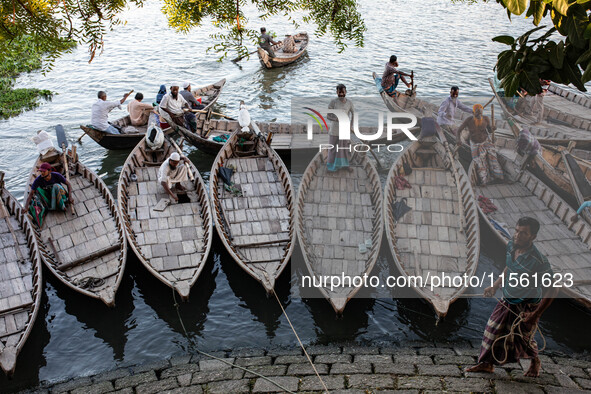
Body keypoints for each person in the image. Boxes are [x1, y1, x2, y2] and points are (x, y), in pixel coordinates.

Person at [466, 217, 557, 378]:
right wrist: (495, 285)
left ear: (532, 237)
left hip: (526, 304)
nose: (517, 235)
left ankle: (535, 362)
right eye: (516, 231)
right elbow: (510, 266)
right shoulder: (511, 246)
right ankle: (486, 364)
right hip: (508, 298)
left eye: (523, 233)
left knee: (522, 337)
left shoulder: (538, 260)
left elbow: (553, 289)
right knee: (491, 329)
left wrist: (535, 315)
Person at [455, 104, 503, 185]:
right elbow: (459, 131)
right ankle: (485, 181)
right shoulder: (469, 120)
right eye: (477, 114)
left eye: (480, 114)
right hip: (475, 143)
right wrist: (458, 139)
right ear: (473, 113)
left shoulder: (486, 119)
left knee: (493, 159)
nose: (479, 116)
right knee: (479, 163)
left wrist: (493, 128)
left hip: (486, 141)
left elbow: (490, 130)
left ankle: (498, 178)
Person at [25, 162, 74, 227]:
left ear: (49, 171)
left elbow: (68, 184)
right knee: (38, 191)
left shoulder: (56, 175)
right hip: (50, 197)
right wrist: (26, 207)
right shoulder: (38, 179)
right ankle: (51, 206)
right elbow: (31, 193)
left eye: (44, 171)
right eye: (41, 171)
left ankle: (63, 204)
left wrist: (70, 196)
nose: (42, 173)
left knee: (56, 186)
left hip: (59, 195)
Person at [326, 84, 354, 172]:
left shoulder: (349, 103)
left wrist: (351, 125)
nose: (341, 94)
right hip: (334, 130)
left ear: (346, 92)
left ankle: (345, 165)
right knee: (332, 149)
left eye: (343, 92)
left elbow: (353, 114)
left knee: (345, 149)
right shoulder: (333, 102)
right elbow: (328, 116)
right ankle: (331, 166)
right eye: (339, 92)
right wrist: (335, 119)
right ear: (337, 92)